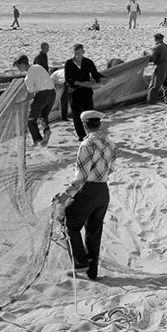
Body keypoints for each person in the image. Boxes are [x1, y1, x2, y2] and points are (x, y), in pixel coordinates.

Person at [55, 110, 115, 281]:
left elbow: (81, 176)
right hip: (103, 191)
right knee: (94, 231)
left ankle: (80, 263)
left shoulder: (87, 144)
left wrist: (66, 195)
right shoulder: (110, 143)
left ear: (84, 125)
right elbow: (111, 169)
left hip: (88, 190)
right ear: (99, 124)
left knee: (70, 223)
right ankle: (92, 272)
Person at [64, 44, 106, 141]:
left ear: (83, 52)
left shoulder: (88, 62)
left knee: (90, 112)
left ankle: (93, 133)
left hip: (86, 92)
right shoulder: (69, 63)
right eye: (75, 53)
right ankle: (82, 136)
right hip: (74, 92)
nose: (77, 55)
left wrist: (101, 78)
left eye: (79, 53)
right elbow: (68, 80)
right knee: (77, 115)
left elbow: (95, 74)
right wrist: (81, 83)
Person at [13, 54, 55, 146]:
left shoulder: (28, 77)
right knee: (43, 115)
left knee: (31, 120)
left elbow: (31, 95)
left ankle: (38, 140)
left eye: (18, 66)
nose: (18, 69)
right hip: (52, 93)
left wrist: (23, 100)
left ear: (22, 65)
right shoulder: (38, 66)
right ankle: (46, 130)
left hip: (42, 95)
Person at [147, 32, 167, 104]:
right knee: (166, 85)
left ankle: (151, 102)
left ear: (155, 40)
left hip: (162, 68)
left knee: (154, 86)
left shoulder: (156, 47)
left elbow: (152, 59)